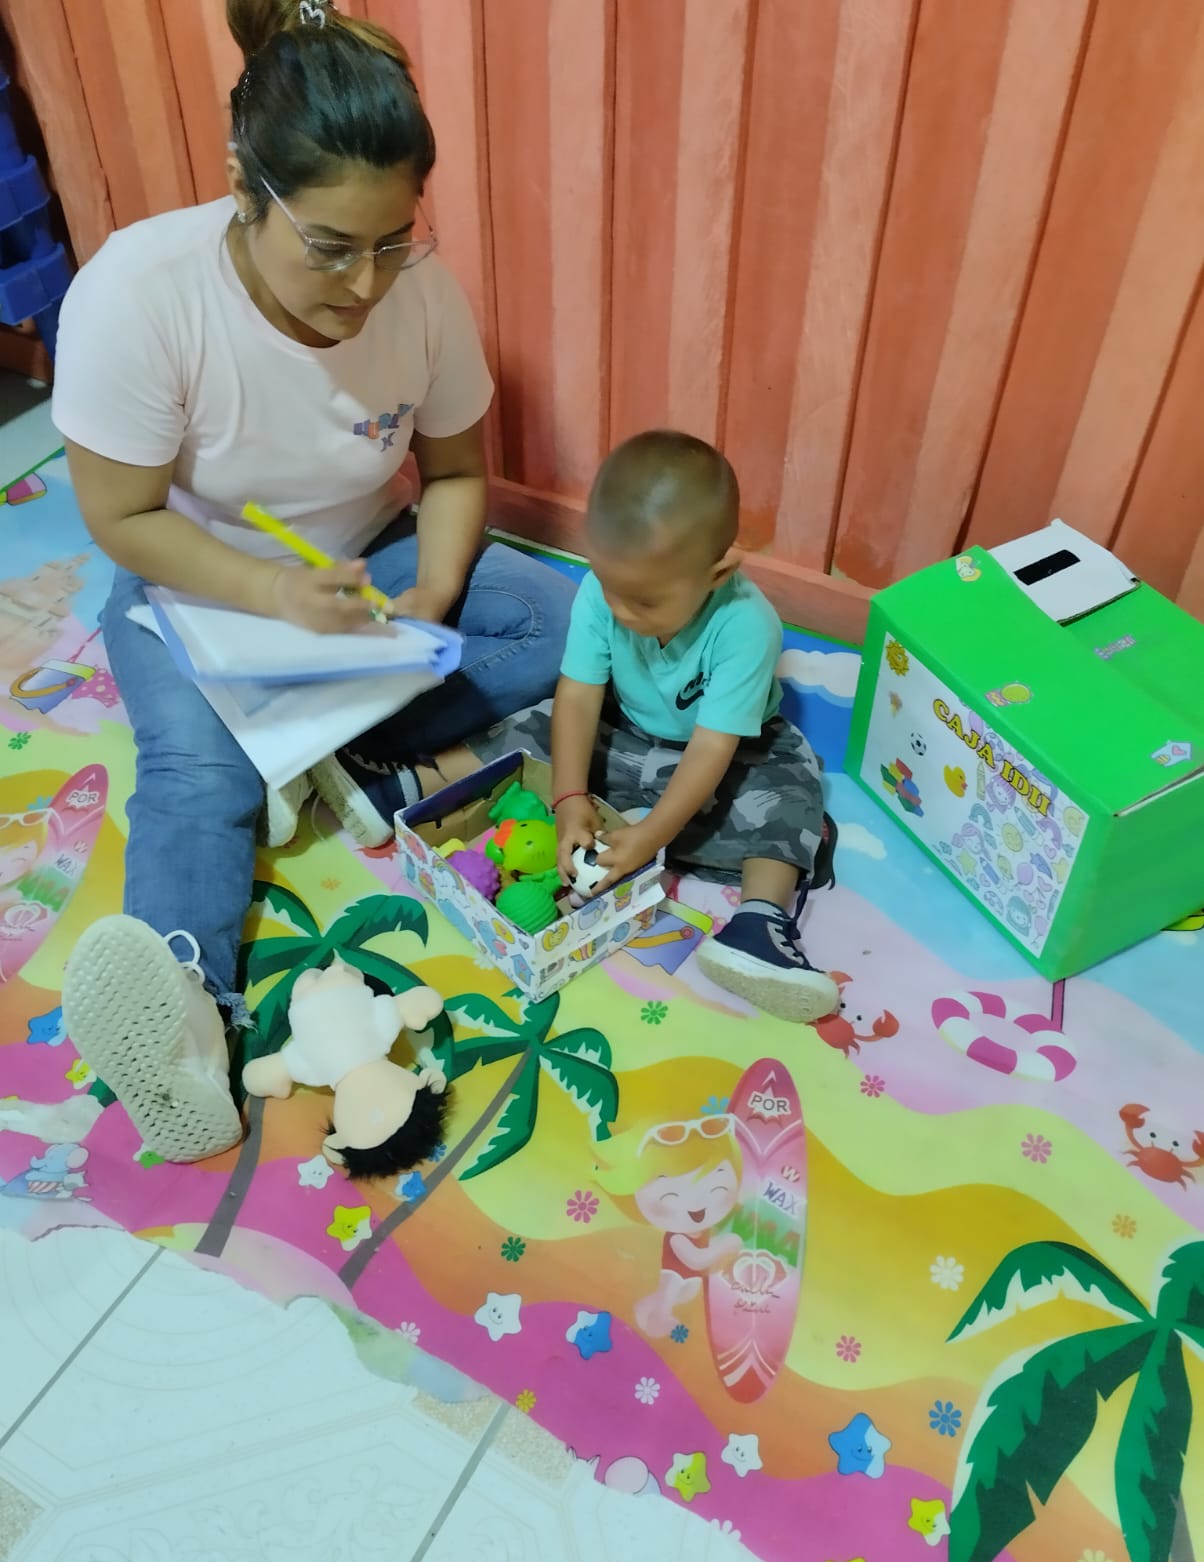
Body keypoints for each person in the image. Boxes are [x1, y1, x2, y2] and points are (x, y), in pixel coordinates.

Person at [54, 0, 574, 1164]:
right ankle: (188, 1018)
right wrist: (275, 595)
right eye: (331, 247)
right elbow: (122, 518)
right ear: (246, 188)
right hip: (194, 592)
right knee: (198, 776)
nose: (365, 284)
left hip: (369, 567)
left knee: (561, 620)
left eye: (394, 241)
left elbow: (454, 473)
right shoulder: (140, 294)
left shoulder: (419, 295)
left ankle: (312, 745)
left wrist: (431, 596)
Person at [444, 431, 838, 1023]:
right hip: (625, 734)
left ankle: (758, 924)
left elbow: (712, 748)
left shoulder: (746, 625)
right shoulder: (602, 593)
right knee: (534, 723)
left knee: (795, 791)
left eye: (646, 602)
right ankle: (414, 786)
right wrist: (569, 797)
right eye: (610, 588)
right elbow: (579, 695)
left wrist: (652, 833)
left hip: (725, 754)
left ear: (717, 572)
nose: (622, 612)